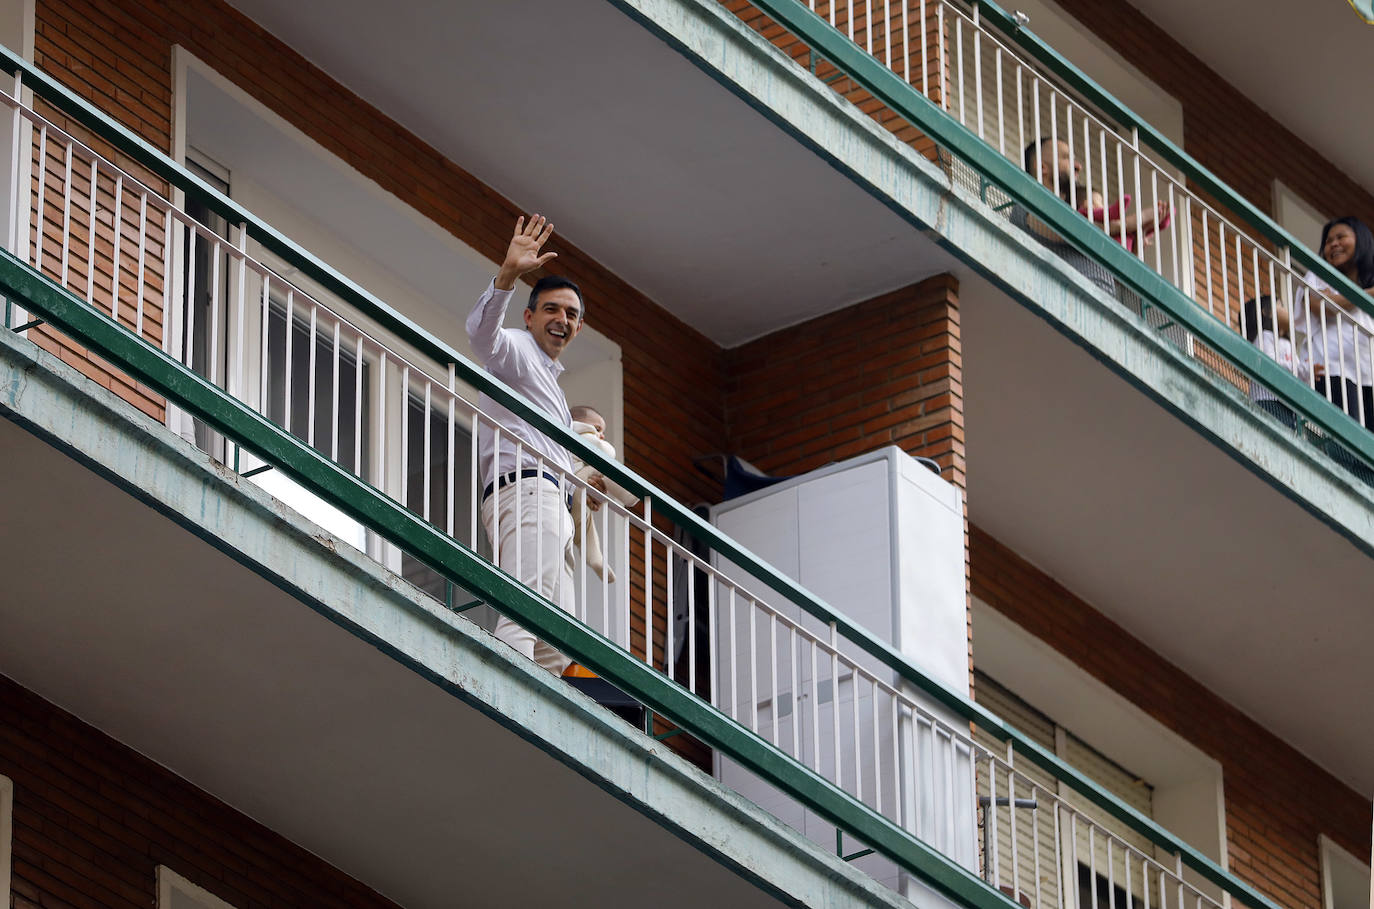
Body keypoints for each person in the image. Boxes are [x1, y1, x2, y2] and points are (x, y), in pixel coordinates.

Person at [466, 214, 600, 675]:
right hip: (526, 491)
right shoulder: (518, 351)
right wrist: (507, 274)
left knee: (556, 642)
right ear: (529, 316)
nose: (562, 319)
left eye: (571, 315)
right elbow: (482, 336)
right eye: (551, 309)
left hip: (548, 500)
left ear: (578, 329)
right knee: (524, 612)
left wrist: (584, 483)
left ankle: (536, 720)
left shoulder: (551, 387)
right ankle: (507, 700)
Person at [1012, 138, 1167, 297]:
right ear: (1042, 167)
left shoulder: (1077, 212)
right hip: (1061, 297)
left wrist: (1135, 247)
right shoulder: (1027, 206)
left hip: (1101, 304)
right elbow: (1072, 229)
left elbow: (1118, 277)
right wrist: (1131, 222)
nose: (1078, 166)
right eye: (1066, 158)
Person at [1293, 216, 1374, 430]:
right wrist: (1367, 295)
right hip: (1332, 372)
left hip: (1366, 378)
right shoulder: (1319, 275)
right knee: (1341, 441)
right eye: (1329, 241)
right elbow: (1322, 306)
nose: (1334, 244)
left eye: (1341, 237)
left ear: (1361, 241)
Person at [566, 405, 639, 584]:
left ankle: (596, 559)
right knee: (601, 471)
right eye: (598, 428)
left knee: (586, 527)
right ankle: (630, 494)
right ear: (579, 423)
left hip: (571, 497)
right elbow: (605, 452)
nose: (602, 435)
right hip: (573, 483)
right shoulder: (579, 434)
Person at [1241, 295, 1304, 429]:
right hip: (1267, 402)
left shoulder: (1287, 344)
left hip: (1288, 408)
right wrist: (1302, 369)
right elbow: (1270, 367)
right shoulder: (1264, 337)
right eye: (1280, 306)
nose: (1285, 310)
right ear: (1266, 312)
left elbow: (1298, 373)